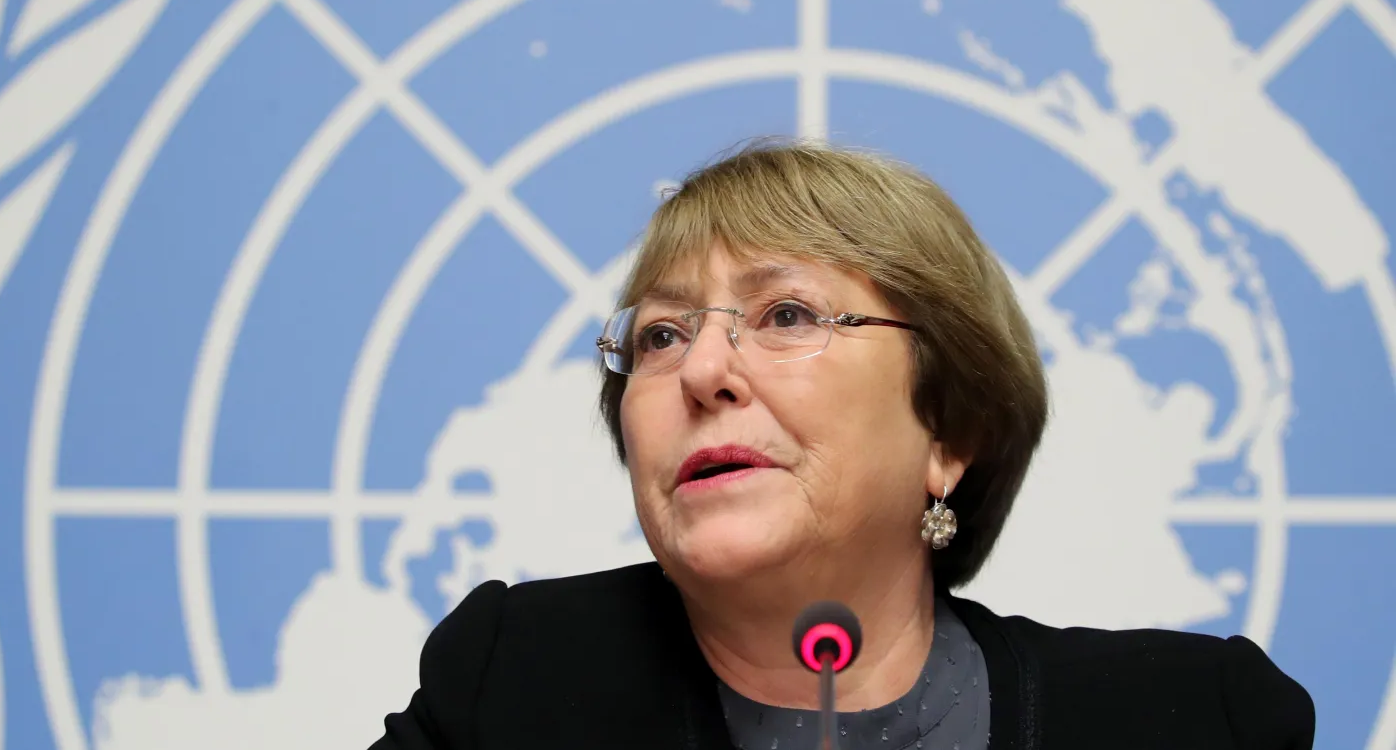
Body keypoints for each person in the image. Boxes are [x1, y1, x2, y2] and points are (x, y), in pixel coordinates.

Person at [369, 141, 1314, 750]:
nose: (702, 371)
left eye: (785, 314)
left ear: (950, 431)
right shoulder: (515, 684)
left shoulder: (1197, 722)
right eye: (660, 335)